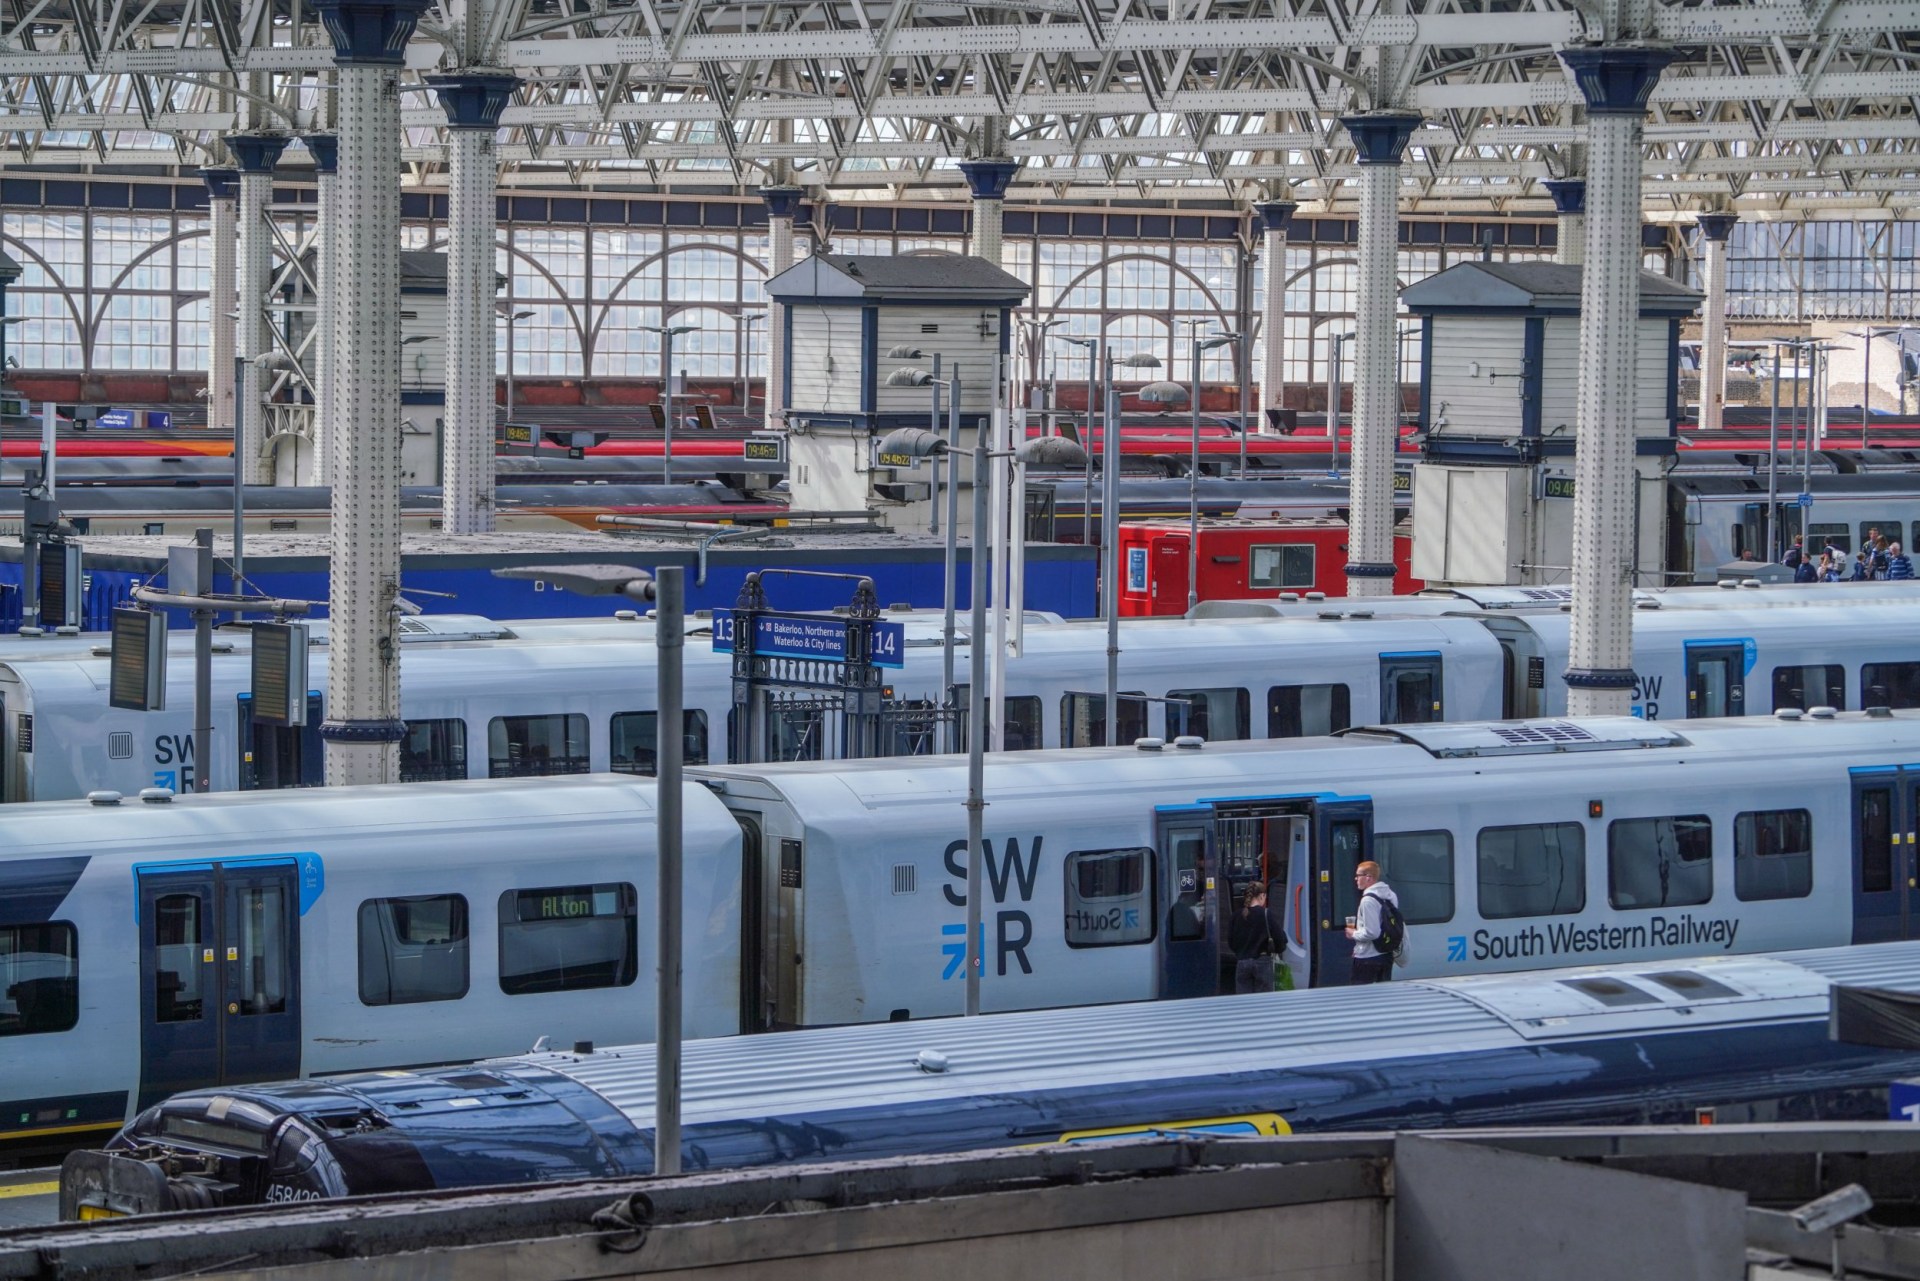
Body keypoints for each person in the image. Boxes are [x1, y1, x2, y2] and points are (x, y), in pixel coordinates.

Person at [1345, 861, 1399, 985]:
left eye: (1358, 875)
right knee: (1382, 996)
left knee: (1361, 998)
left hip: (1367, 958)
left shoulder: (1368, 901)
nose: (1356, 879)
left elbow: (1372, 933)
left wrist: (1353, 934)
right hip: (1386, 954)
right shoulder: (1390, 895)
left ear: (1368, 877)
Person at [1228, 884, 1277, 994]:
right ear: (1262, 896)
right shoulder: (1266, 914)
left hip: (1242, 962)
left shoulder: (1235, 916)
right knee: (1264, 1003)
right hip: (1263, 962)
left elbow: (1230, 942)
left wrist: (1241, 953)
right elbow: (1280, 938)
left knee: (1244, 1004)